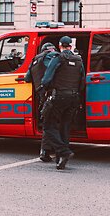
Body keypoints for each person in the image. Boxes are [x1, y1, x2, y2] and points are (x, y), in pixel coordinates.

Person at [41, 36, 85, 170]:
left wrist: (46, 88)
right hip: (74, 98)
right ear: (70, 46)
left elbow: (46, 79)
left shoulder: (58, 58)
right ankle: (61, 158)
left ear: (60, 46)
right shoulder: (79, 60)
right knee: (65, 127)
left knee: (48, 125)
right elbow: (82, 82)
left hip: (59, 96)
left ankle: (64, 151)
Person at [24, 42, 60, 162]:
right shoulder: (56, 57)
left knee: (48, 122)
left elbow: (27, 78)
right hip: (55, 93)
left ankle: (48, 151)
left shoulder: (35, 59)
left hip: (42, 94)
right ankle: (49, 151)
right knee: (54, 122)